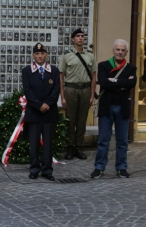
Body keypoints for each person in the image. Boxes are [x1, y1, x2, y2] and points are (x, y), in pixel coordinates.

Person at [91, 39, 137, 179]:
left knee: (122, 140)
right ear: (113, 50)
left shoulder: (131, 68)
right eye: (118, 49)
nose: (120, 52)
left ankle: (121, 168)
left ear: (126, 52)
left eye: (123, 50)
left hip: (122, 107)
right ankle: (99, 168)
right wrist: (121, 84)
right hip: (106, 106)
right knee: (103, 140)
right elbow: (104, 83)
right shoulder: (103, 65)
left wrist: (114, 81)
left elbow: (131, 83)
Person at [22, 43, 60, 181]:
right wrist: (39, 105)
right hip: (34, 112)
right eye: (37, 54)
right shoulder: (27, 71)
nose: (40, 56)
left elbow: (56, 90)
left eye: (42, 53)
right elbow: (28, 91)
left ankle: (47, 170)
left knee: (48, 143)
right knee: (34, 143)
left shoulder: (54, 71)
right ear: (33, 55)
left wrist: (47, 105)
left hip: (49, 111)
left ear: (46, 55)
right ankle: (34, 169)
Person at [58, 28, 97, 160]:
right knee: (70, 119)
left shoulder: (90, 56)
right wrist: (62, 97)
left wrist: (92, 95)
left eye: (82, 36)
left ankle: (79, 147)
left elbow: (93, 77)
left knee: (82, 120)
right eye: (78, 36)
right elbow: (61, 77)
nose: (81, 38)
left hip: (85, 90)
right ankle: (70, 147)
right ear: (73, 39)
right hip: (71, 90)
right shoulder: (66, 56)